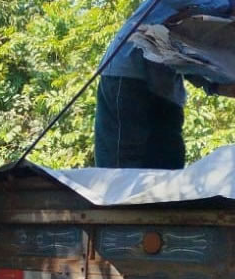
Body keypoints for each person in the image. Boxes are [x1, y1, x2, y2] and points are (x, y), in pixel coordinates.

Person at [95, 0, 235, 169]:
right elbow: (187, 17)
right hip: (129, 74)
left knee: (168, 165)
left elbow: (192, 53)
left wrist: (215, 87)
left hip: (166, 86)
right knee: (122, 168)